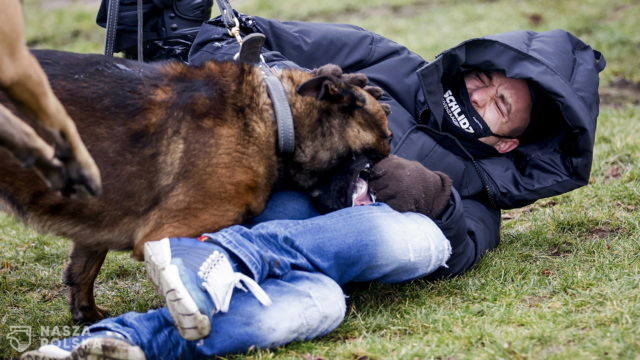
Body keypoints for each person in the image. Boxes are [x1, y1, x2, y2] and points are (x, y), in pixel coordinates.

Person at [20, 4, 605, 360]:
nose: (479, 93)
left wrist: (432, 197)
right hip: (254, 200)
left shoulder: (483, 195)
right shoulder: (384, 59)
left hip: (310, 269)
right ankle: (211, 259)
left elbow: (458, 250)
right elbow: (242, 42)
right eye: (484, 77)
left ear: (509, 143)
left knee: (385, 263)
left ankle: (122, 340)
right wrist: (295, 98)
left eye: (500, 103)